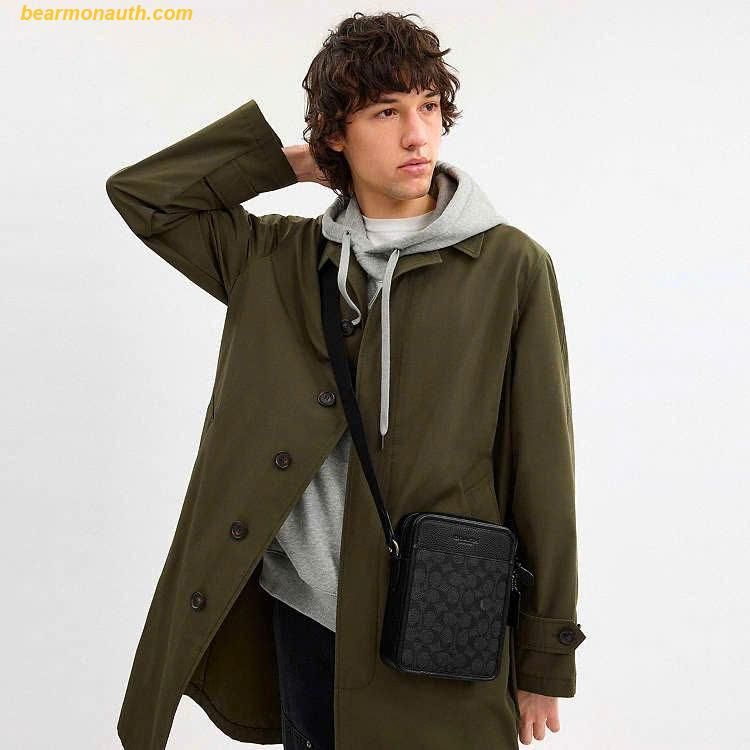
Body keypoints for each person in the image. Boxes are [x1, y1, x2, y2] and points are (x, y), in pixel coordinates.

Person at [107, 11, 585, 750]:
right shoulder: (274, 260)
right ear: (337, 133)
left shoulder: (509, 267)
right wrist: (284, 165)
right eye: (385, 112)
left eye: (429, 106)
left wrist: (545, 653)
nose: (417, 135)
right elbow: (145, 196)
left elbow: (542, 468)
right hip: (304, 619)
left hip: (438, 622)